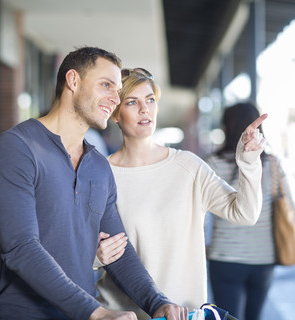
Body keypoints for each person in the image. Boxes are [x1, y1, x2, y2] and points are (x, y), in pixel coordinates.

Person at [0, 47, 187, 320]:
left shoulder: (99, 166)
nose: (115, 98)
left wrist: (156, 302)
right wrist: (96, 312)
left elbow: (119, 250)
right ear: (73, 81)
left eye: (117, 91)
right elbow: (20, 248)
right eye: (106, 85)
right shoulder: (16, 148)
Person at [94, 68, 268, 319]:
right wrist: (95, 256)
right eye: (132, 102)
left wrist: (249, 164)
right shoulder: (101, 173)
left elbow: (245, 214)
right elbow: (77, 245)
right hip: (121, 314)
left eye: (150, 100)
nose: (145, 109)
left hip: (184, 313)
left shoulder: (189, 166)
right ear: (115, 114)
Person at [205, 102, 295, 320]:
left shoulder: (212, 163)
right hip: (262, 258)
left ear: (226, 127)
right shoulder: (272, 164)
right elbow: (289, 206)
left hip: (224, 255)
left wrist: (202, 244)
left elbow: (200, 214)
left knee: (226, 317)